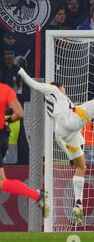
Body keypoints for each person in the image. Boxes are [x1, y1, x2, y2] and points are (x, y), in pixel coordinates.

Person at [17, 67, 94, 226]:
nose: (65, 90)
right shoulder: (52, 89)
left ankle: (78, 204)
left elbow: (60, 136)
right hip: (70, 119)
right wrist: (21, 70)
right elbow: (35, 85)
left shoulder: (56, 103)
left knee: (81, 166)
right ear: (59, 87)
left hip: (66, 133)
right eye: (64, 88)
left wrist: (71, 155)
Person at [0, 78, 47, 216]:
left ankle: (36, 194)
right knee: (2, 182)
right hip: (2, 136)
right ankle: (36, 194)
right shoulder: (6, 90)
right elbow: (20, 113)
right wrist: (7, 119)